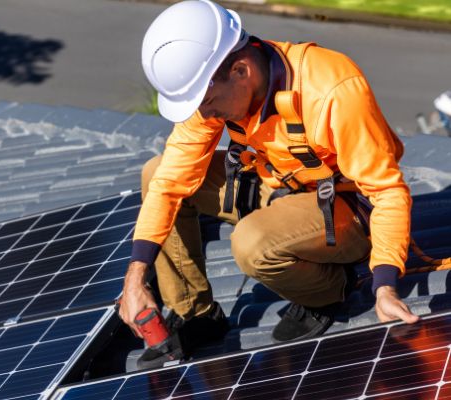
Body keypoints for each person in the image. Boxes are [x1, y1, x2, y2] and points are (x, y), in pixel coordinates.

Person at [118, 0, 419, 370]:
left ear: (241, 70)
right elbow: (168, 182)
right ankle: (196, 313)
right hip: (279, 186)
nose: (206, 115)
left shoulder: (332, 89)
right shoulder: (218, 89)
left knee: (251, 243)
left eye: (207, 102)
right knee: (155, 171)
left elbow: (387, 192)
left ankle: (327, 290)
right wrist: (134, 278)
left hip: (346, 211)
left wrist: (385, 285)